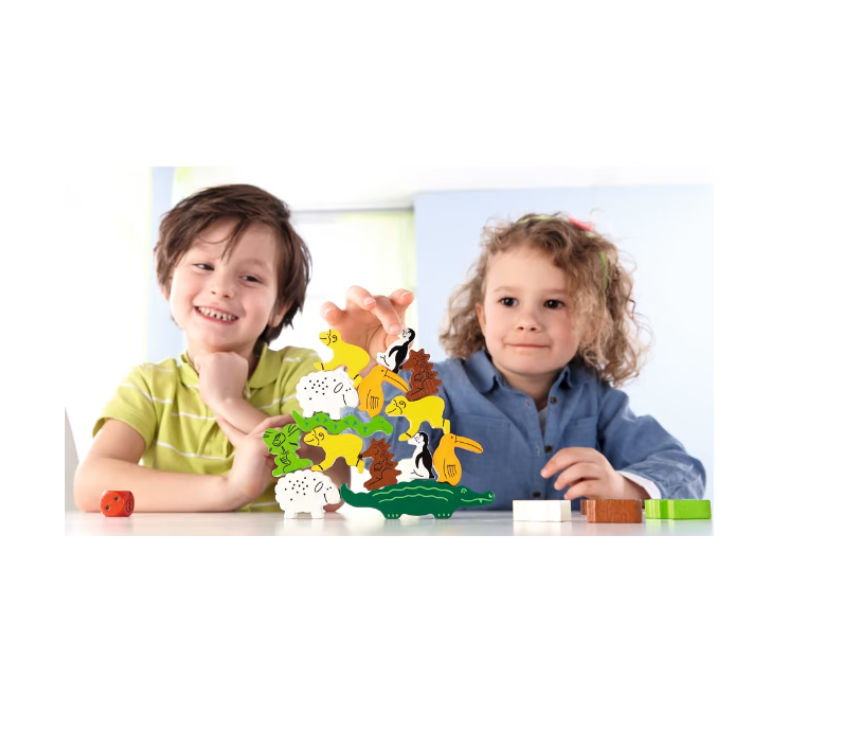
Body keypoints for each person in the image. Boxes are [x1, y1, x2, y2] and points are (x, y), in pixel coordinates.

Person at [322, 213, 706, 509]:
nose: (527, 321)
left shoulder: (598, 401)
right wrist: (371, 370)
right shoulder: (438, 388)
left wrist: (624, 488)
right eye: (509, 301)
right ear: (483, 318)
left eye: (553, 303)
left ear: (591, 325)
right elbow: (373, 454)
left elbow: (685, 472)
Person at [74, 185, 349, 513]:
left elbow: (333, 486)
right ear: (167, 282)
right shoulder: (150, 386)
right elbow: (91, 486)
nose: (222, 288)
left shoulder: (299, 372)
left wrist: (229, 402)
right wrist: (229, 490)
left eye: (250, 277)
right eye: (204, 266)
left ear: (279, 308)